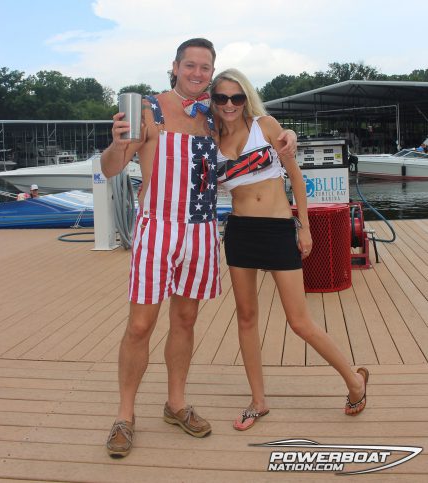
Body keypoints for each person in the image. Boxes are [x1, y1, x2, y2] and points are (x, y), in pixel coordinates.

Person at [100, 38, 300, 457]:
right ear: (175, 67)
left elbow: (258, 127)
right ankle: (124, 416)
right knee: (140, 325)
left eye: (204, 67)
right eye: (189, 65)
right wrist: (118, 144)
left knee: (186, 319)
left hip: (202, 230)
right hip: (158, 228)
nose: (197, 73)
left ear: (212, 72)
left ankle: (176, 404)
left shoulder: (215, 114)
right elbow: (112, 169)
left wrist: (289, 135)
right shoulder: (149, 110)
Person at [210, 68, 369, 431]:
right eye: (222, 98)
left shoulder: (265, 126)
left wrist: (305, 227)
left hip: (279, 228)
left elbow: (296, 177)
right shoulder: (211, 138)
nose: (230, 104)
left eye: (237, 97)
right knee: (246, 318)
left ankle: (354, 381)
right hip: (241, 232)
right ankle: (258, 401)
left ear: (246, 98)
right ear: (214, 101)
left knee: (299, 322)